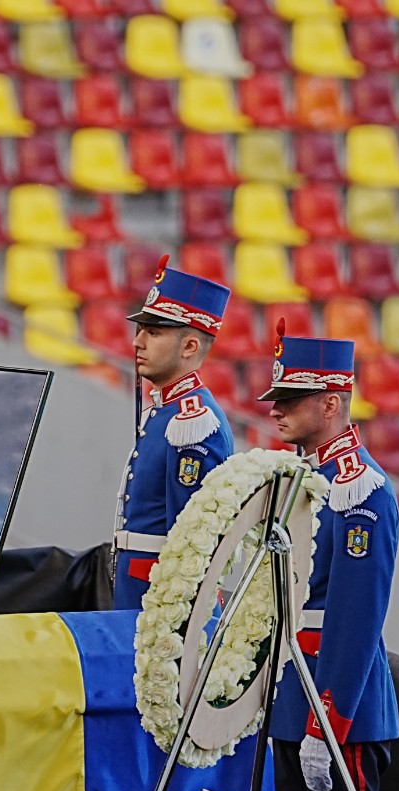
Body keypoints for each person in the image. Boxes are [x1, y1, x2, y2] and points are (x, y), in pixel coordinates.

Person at [257, 323, 399, 791]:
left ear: (331, 402)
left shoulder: (359, 490)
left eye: (291, 398)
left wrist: (327, 724)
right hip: (296, 702)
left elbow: (354, 619)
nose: (276, 408)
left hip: (335, 708)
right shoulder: (299, 479)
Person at [113, 254, 234, 611]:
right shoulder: (168, 412)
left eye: (154, 332)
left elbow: (189, 544)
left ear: (190, 346)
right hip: (138, 591)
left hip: (159, 605)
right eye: (141, 330)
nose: (137, 342)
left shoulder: (192, 425)